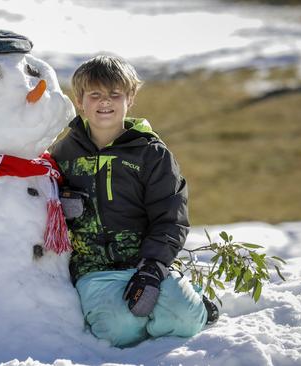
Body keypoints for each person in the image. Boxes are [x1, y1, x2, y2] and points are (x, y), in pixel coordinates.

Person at [49, 55, 218, 347]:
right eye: (95, 95)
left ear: (130, 98)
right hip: (94, 268)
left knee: (185, 321)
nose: (106, 102)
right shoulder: (62, 154)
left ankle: (197, 305)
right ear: (79, 100)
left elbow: (171, 216)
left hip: (145, 262)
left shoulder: (151, 153)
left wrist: (152, 268)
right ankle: (152, 310)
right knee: (118, 332)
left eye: (115, 94)